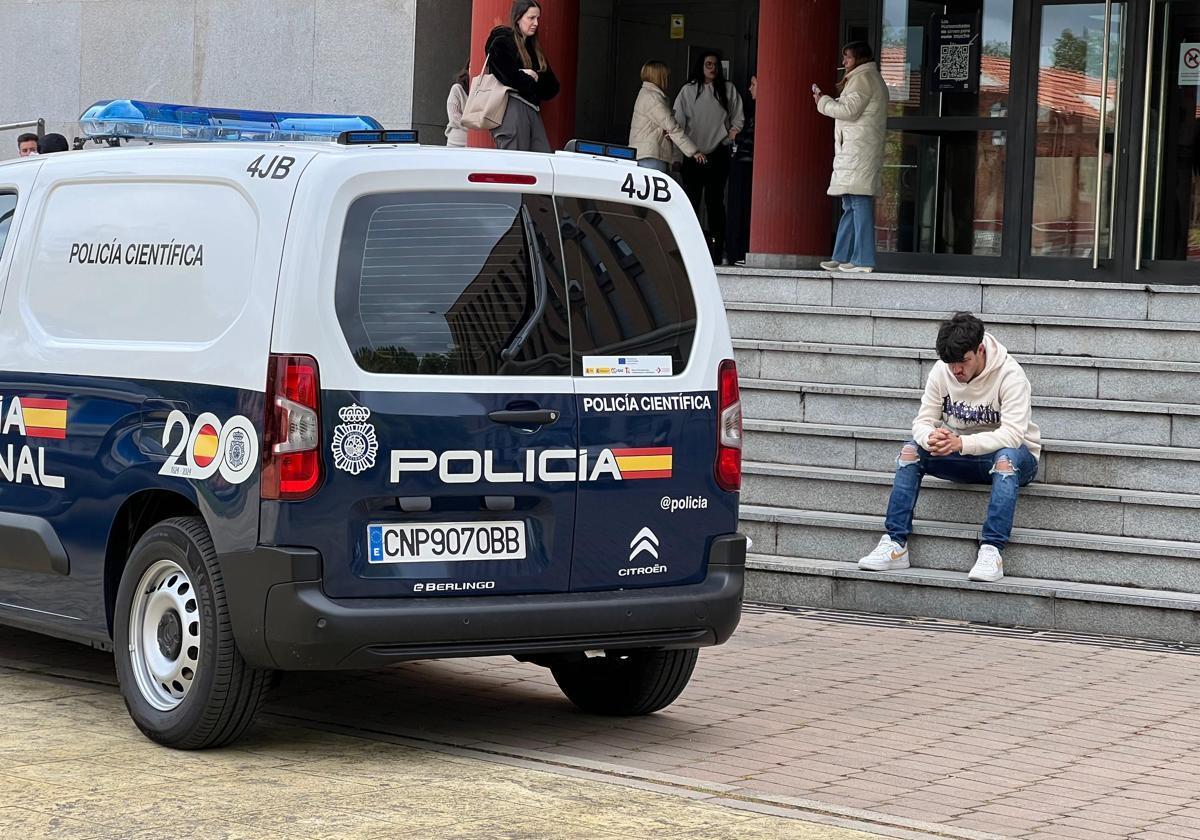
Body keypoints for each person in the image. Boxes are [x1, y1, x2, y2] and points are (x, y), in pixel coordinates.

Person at [858, 313, 1041, 584]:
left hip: (1013, 458)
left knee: (1006, 459)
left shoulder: (1010, 374)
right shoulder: (941, 371)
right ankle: (895, 544)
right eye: (950, 363)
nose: (956, 370)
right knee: (910, 452)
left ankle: (992, 550)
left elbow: (1013, 435)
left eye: (963, 362)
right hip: (961, 454)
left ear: (979, 350)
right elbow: (922, 421)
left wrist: (961, 443)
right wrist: (932, 437)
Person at [813, 41, 888, 274]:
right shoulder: (864, 78)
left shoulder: (863, 79)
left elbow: (848, 111)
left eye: (848, 57)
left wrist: (822, 102)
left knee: (858, 201)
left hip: (859, 150)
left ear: (859, 59)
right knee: (850, 203)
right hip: (857, 148)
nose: (844, 61)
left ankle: (863, 259)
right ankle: (842, 255)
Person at [674, 50, 744, 264]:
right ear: (701, 66)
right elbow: (678, 124)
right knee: (692, 202)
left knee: (715, 205)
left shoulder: (728, 89)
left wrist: (732, 134)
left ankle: (716, 251)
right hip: (693, 155)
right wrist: (680, 155)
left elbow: (738, 118)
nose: (712, 68)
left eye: (715, 65)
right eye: (708, 64)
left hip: (717, 153)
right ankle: (689, 250)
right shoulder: (688, 91)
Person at [484, 0, 560, 153]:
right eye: (531, 18)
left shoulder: (534, 48)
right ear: (518, 18)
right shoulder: (502, 41)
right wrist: (526, 76)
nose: (536, 23)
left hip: (532, 110)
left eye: (538, 18)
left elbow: (553, 87)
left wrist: (533, 76)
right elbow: (507, 76)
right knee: (515, 165)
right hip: (512, 107)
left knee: (540, 160)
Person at [629, 60, 705, 176]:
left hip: (646, 155)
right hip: (651, 156)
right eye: (666, 76)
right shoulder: (653, 98)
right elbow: (672, 127)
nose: (667, 79)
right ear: (659, 77)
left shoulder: (646, 94)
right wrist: (694, 151)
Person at [724, 74, 756, 266]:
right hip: (743, 167)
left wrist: (736, 136)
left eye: (753, 84)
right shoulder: (754, 111)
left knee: (741, 209)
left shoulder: (761, 111)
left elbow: (753, 140)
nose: (750, 88)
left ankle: (738, 252)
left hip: (746, 167)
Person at [445, 64, 470, 147]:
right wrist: (475, 128)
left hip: (479, 144)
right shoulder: (457, 89)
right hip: (456, 143)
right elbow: (455, 116)